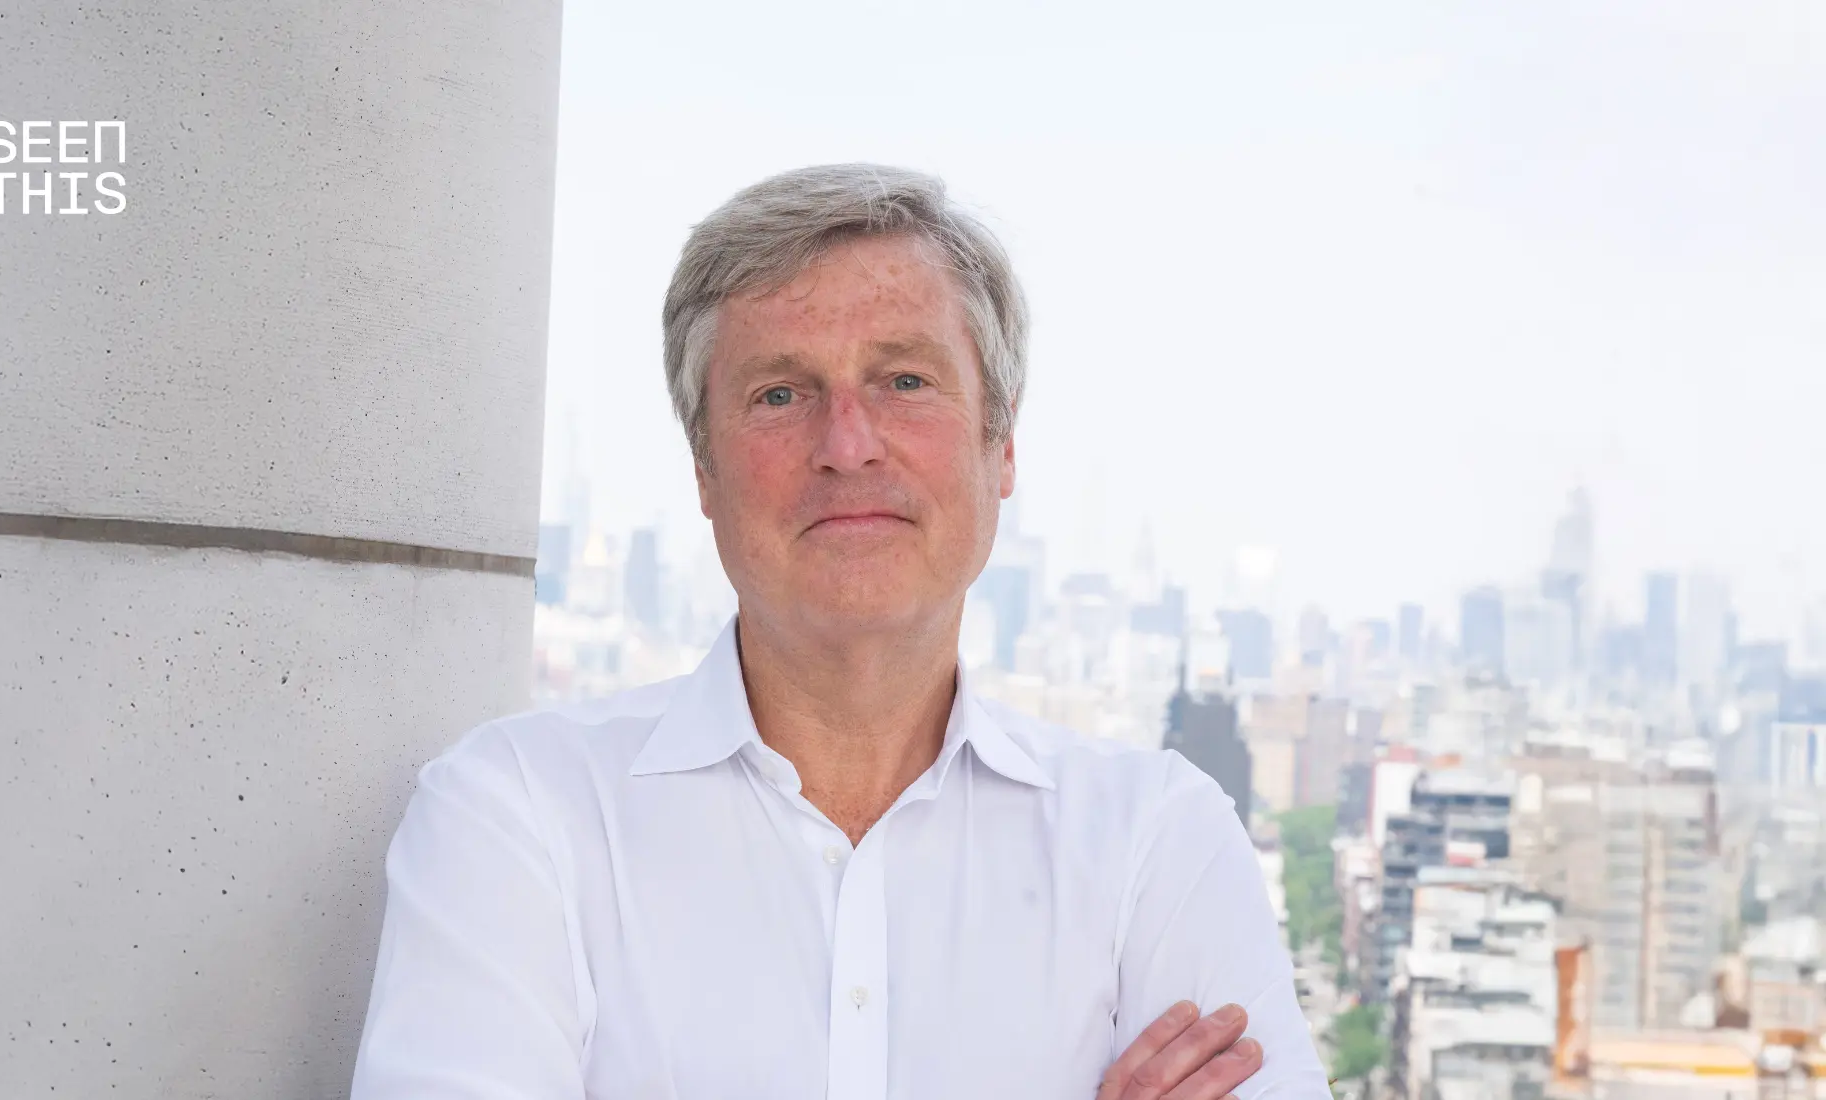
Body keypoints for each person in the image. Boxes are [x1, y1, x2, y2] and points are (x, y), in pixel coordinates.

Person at [350, 164, 1332, 1099]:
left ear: (1003, 446)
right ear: (704, 471)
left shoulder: (1154, 839)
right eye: (780, 392)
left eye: (904, 380)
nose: (847, 443)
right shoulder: (517, 816)